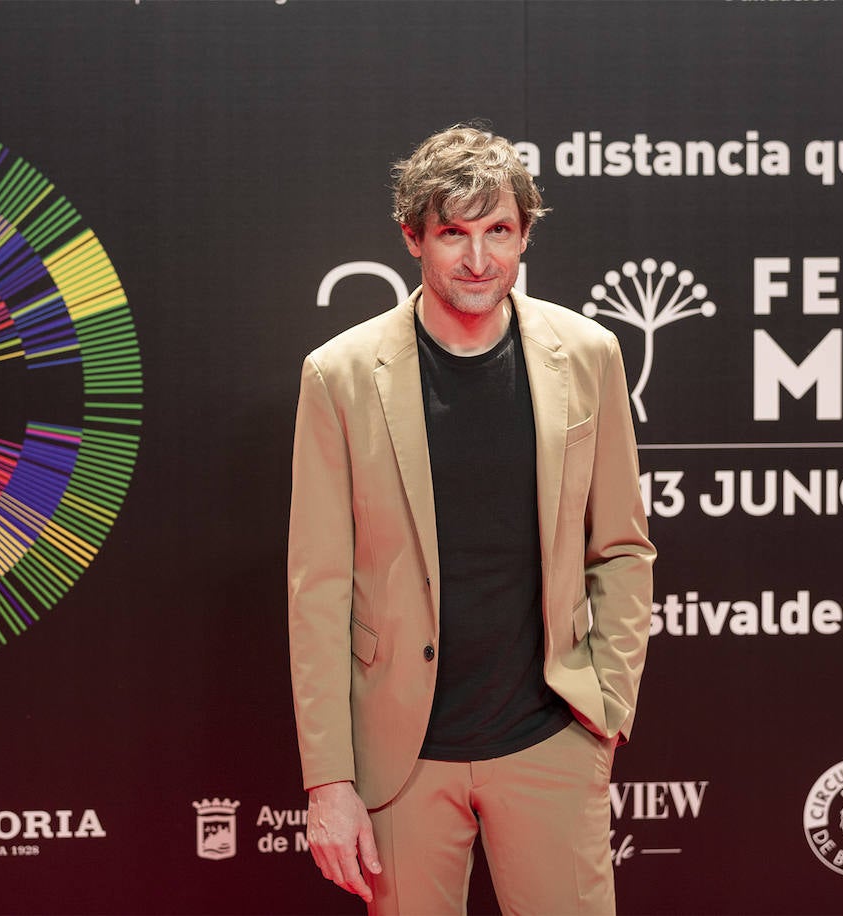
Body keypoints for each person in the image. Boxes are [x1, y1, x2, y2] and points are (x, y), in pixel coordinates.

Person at [288, 124, 655, 915]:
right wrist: (329, 781)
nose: (478, 260)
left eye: (499, 232)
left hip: (550, 738)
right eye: (453, 233)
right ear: (412, 237)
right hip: (400, 760)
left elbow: (622, 546)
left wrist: (607, 707)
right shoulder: (340, 376)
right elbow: (316, 588)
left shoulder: (589, 355)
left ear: (525, 234)